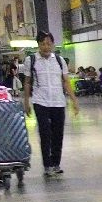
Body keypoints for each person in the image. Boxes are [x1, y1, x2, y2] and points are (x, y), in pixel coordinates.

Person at [21, 31, 80, 179]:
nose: (46, 47)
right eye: (42, 44)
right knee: (45, 133)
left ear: (53, 44)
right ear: (38, 45)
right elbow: (27, 82)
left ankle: (56, 164)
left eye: (48, 43)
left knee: (58, 134)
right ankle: (47, 166)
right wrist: (26, 101)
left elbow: (66, 81)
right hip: (40, 101)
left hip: (58, 102)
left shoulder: (59, 60)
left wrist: (74, 100)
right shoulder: (31, 60)